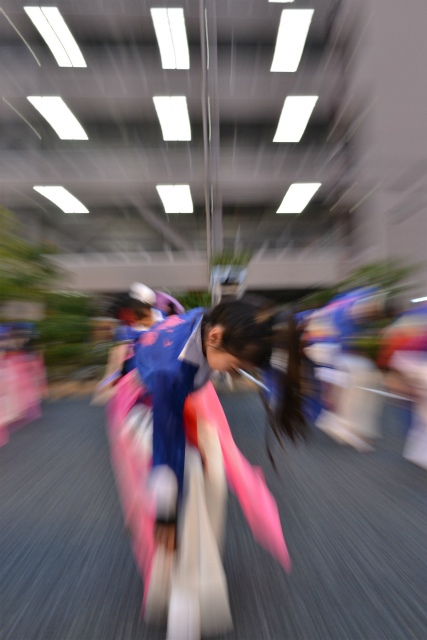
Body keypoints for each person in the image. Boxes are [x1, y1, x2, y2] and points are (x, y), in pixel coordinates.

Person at [107, 299, 305, 639]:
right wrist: (167, 513)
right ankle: (183, 598)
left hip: (183, 398)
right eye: (235, 364)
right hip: (143, 406)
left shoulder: (209, 322)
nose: (233, 372)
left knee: (210, 481)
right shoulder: (172, 368)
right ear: (214, 337)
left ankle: (182, 571)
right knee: (187, 490)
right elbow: (167, 442)